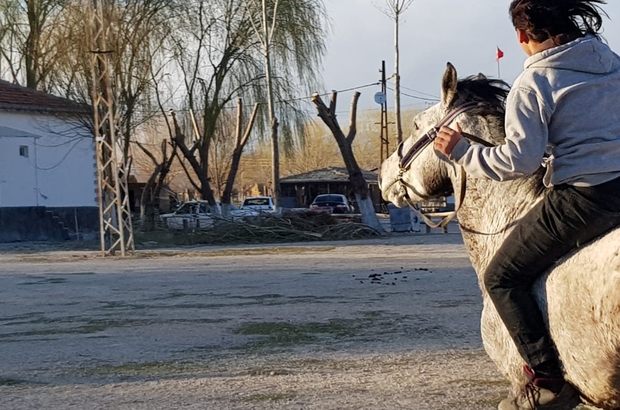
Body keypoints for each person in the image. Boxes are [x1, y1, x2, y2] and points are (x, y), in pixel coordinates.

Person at [433, 0, 620, 409]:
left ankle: (547, 380)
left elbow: (520, 162)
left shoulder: (535, 80)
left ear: (521, 35)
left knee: (501, 277)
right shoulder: (611, 61)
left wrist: (463, 152)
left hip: (586, 195)